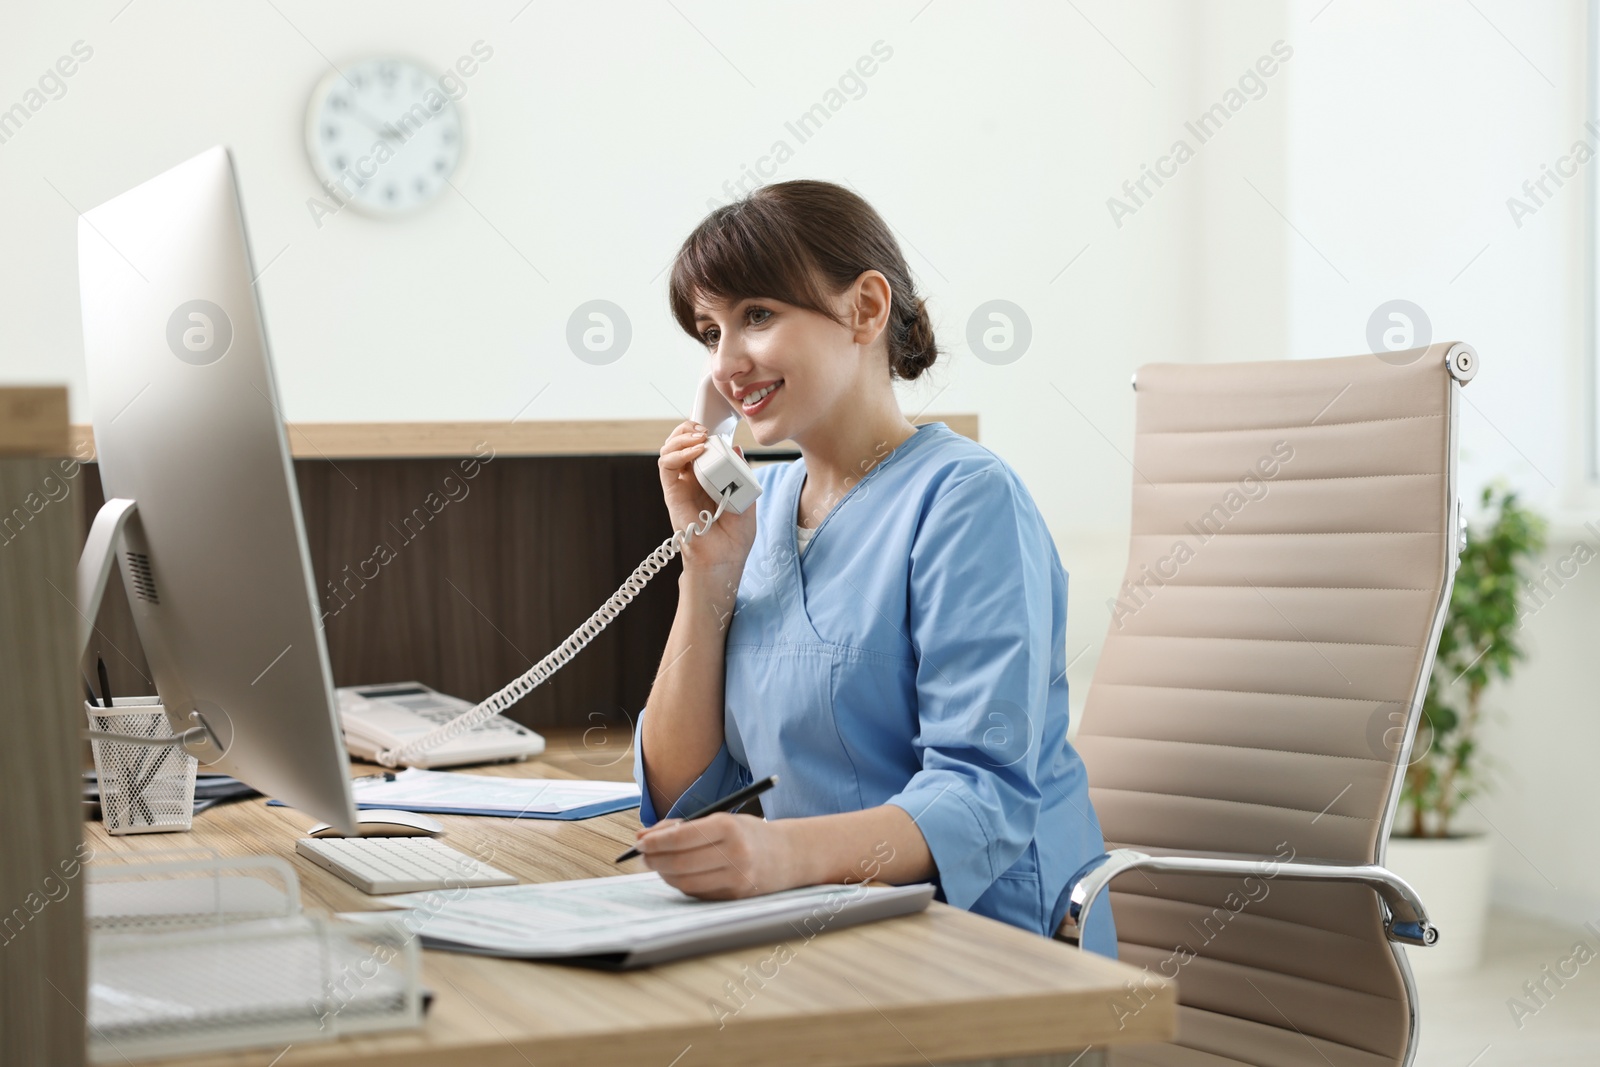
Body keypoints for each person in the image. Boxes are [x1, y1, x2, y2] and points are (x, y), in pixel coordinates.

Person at [629, 180, 1115, 954]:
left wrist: (776, 856)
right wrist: (706, 571)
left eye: (757, 315)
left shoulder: (967, 500)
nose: (726, 363)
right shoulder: (760, 510)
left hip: (982, 947)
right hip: (819, 926)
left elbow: (979, 797)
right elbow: (685, 796)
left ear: (865, 309)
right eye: (708, 331)